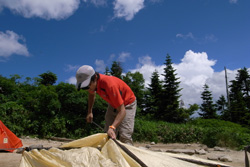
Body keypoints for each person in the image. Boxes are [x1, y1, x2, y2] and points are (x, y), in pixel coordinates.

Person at [76, 65, 137, 145]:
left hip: (127, 104)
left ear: (94, 78)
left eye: (87, 86)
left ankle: (128, 155)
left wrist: (112, 127)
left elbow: (122, 111)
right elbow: (91, 95)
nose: (87, 89)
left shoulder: (109, 85)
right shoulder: (92, 86)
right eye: (84, 88)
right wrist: (89, 111)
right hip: (113, 103)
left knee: (124, 135)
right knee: (107, 133)